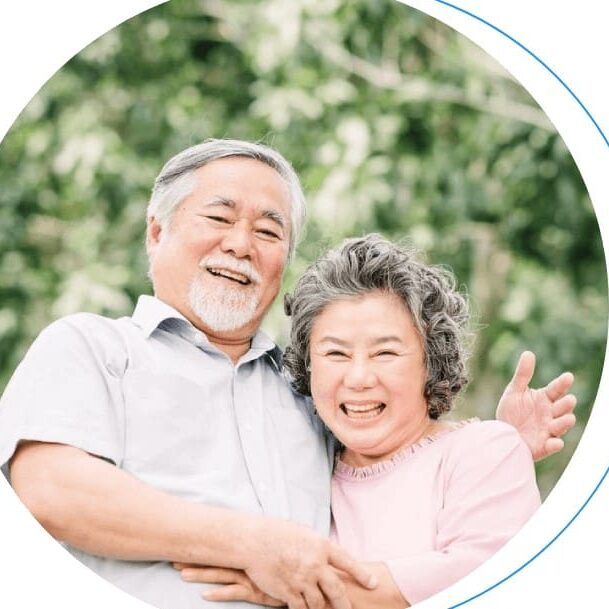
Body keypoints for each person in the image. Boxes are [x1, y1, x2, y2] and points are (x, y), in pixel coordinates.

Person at [0, 140, 576, 609]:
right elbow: (49, 489)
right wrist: (252, 545)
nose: (241, 244)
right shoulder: (92, 347)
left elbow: (393, 460)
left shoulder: (305, 389)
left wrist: (494, 450)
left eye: (270, 232)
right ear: (157, 231)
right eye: (219, 216)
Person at [176, 235, 559, 607]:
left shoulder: (481, 450)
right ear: (308, 367)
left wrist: (296, 585)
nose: (358, 378)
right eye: (336, 354)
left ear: (431, 360)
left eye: (385, 353)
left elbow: (486, 575)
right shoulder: (305, 465)